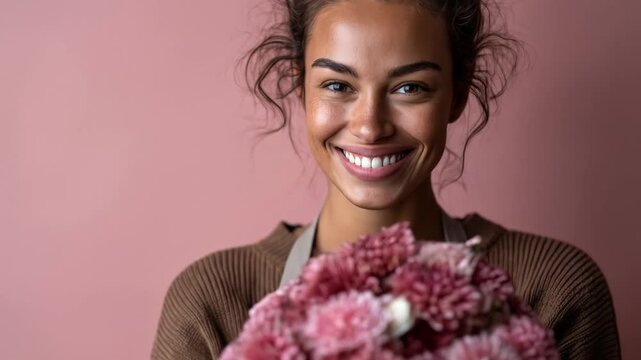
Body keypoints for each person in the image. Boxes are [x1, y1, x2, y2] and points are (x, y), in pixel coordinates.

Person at [151, 0, 621, 358]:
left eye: (409, 88)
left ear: (457, 94)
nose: (370, 126)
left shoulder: (553, 289)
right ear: (300, 87)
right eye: (338, 86)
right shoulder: (212, 300)